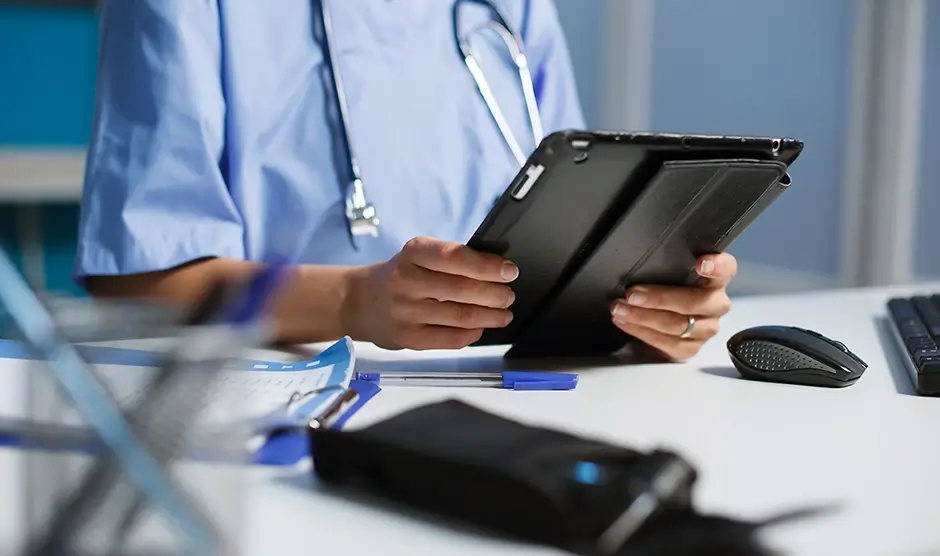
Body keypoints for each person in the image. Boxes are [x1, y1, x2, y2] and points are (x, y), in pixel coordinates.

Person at [75, 0, 737, 360]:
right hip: (298, 406)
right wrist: (350, 302)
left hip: (521, 389)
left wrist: (645, 310)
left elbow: (578, 215)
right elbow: (138, 281)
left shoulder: (514, 7)